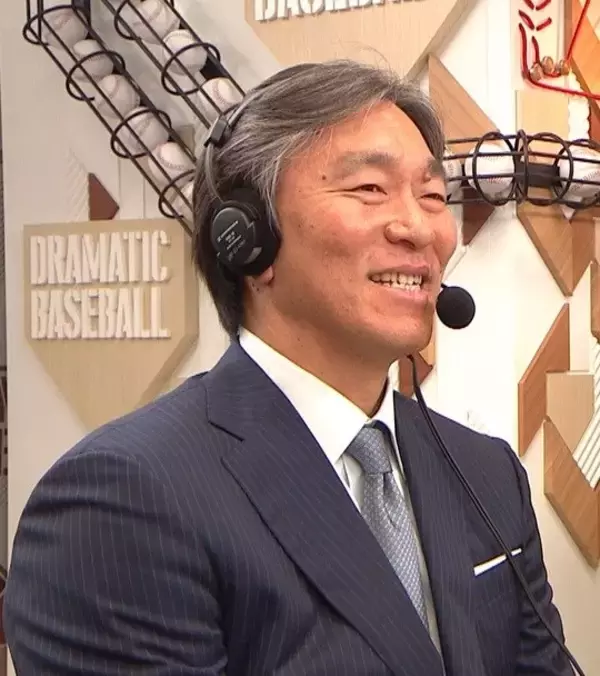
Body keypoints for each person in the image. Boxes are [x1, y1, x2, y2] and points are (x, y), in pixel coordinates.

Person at [3, 60, 573, 676]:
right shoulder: (123, 499)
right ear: (248, 239)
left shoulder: (486, 476)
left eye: (433, 196)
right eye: (369, 189)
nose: (419, 228)